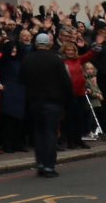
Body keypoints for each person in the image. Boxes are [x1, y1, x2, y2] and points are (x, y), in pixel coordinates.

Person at [20, 31, 71, 178]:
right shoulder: (56, 59)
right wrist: (68, 100)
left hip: (35, 102)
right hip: (53, 102)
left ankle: (41, 164)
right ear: (48, 44)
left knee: (39, 133)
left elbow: (22, 80)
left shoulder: (28, 59)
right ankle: (49, 166)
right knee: (50, 134)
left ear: (36, 44)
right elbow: (66, 82)